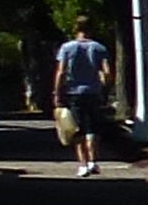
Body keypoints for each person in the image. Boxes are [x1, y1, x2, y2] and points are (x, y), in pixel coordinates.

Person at [48, 19, 115, 175]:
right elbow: (107, 72)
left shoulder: (67, 48)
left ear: (75, 29)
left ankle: (83, 164)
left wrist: (57, 92)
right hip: (93, 92)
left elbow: (61, 72)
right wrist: (104, 86)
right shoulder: (99, 48)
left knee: (77, 128)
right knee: (92, 128)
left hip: (73, 93)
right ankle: (93, 161)